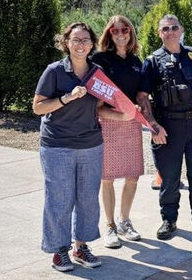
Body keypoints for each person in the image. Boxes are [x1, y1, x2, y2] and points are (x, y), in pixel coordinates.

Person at [33, 22, 134, 272]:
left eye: (86, 40)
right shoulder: (54, 71)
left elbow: (98, 108)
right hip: (57, 145)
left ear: (92, 44)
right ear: (66, 42)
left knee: (88, 199)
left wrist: (123, 116)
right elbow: (38, 107)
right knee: (60, 199)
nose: (81, 45)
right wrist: (66, 98)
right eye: (76, 40)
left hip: (91, 144)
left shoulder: (96, 73)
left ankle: (81, 247)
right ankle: (59, 251)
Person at [136, 14, 192, 246]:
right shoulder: (152, 62)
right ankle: (169, 220)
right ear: (159, 33)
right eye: (165, 29)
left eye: (174, 27)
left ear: (181, 29)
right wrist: (153, 126)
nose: (170, 32)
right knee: (170, 179)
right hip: (168, 127)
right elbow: (142, 97)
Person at [91, 15, 144, 248]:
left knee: (133, 176)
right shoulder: (99, 59)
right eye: (115, 30)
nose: (121, 33)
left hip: (132, 122)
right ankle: (110, 226)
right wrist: (119, 115)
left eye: (125, 29)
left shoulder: (136, 61)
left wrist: (147, 119)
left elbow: (142, 96)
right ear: (109, 33)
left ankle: (125, 221)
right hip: (109, 122)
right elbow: (97, 108)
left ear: (131, 32)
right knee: (108, 177)